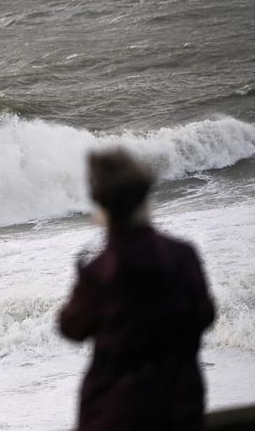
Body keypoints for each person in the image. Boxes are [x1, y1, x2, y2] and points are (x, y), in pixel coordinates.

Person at [59, 147, 215, 431]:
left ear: (102, 206)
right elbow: (205, 316)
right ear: (145, 197)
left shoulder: (100, 273)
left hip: (114, 413)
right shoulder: (183, 256)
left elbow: (71, 327)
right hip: (181, 408)